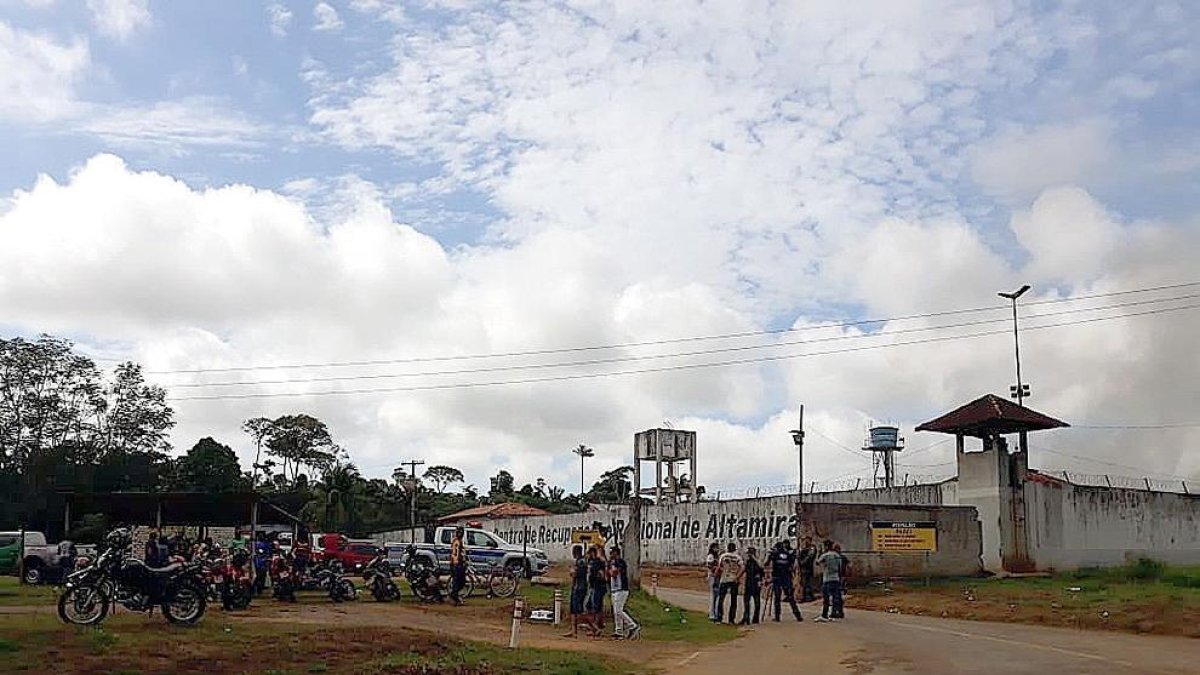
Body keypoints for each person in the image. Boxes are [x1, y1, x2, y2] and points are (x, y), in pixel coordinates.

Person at [765, 540, 803, 622]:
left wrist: (770, 556)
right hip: (787, 578)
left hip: (777, 578)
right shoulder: (788, 554)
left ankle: (777, 617)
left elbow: (766, 563)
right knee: (790, 597)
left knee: (777, 598)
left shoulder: (774, 554)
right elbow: (792, 565)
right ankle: (798, 616)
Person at [608, 545, 640, 640]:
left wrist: (610, 571)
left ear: (616, 553)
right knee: (615, 612)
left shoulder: (620, 562)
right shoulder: (612, 562)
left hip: (621, 589)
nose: (610, 554)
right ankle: (619, 632)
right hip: (614, 589)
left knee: (619, 610)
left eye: (611, 552)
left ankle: (633, 625)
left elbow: (614, 573)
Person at [564, 544, 596, 638]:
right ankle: (574, 631)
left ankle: (594, 627)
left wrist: (571, 570)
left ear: (575, 552)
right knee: (573, 610)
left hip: (579, 588)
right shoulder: (582, 561)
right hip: (577, 587)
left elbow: (574, 574)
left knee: (579, 611)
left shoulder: (580, 562)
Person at [815, 539, 846, 622]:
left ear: (826, 546)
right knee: (836, 597)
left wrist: (819, 553)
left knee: (826, 598)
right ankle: (835, 612)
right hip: (836, 578)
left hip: (827, 579)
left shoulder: (825, 555)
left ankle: (824, 614)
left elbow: (817, 562)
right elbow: (840, 568)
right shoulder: (837, 555)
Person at [715, 542, 743, 624]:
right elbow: (742, 567)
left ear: (727, 548)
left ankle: (719, 618)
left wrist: (716, 575)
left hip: (724, 579)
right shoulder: (737, 557)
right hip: (734, 579)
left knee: (721, 599)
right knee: (733, 600)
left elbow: (719, 567)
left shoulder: (723, 556)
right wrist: (737, 576)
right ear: (734, 549)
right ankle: (731, 619)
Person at [586, 545, 608, 634]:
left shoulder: (599, 562)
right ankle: (596, 625)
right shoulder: (593, 562)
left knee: (595, 607)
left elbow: (602, 574)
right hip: (594, 586)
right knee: (593, 607)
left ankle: (595, 626)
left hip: (598, 586)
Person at [740, 546, 763, 625]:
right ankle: (746, 617)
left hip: (756, 583)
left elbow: (761, 568)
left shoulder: (757, 561)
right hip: (749, 582)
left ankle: (755, 618)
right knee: (746, 601)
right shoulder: (748, 562)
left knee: (756, 601)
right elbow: (744, 570)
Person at [448, 526, 467, 605]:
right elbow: (458, 554)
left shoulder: (455, 541)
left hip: (454, 564)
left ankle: (454, 595)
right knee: (460, 582)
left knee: (459, 582)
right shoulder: (458, 542)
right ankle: (454, 596)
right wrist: (463, 561)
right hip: (457, 564)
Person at [798, 536, 817, 603]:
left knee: (807, 583)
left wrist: (802, 562)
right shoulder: (804, 548)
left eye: (807, 540)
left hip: (807, 568)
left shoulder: (811, 548)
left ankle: (808, 596)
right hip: (803, 569)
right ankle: (806, 596)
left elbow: (810, 557)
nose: (806, 542)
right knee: (804, 583)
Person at [705, 542, 721, 621]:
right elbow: (709, 566)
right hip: (713, 577)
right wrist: (715, 571)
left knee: (716, 596)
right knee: (714, 595)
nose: (717, 549)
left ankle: (714, 613)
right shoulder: (711, 556)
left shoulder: (717, 556)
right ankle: (712, 614)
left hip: (717, 576)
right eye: (716, 548)